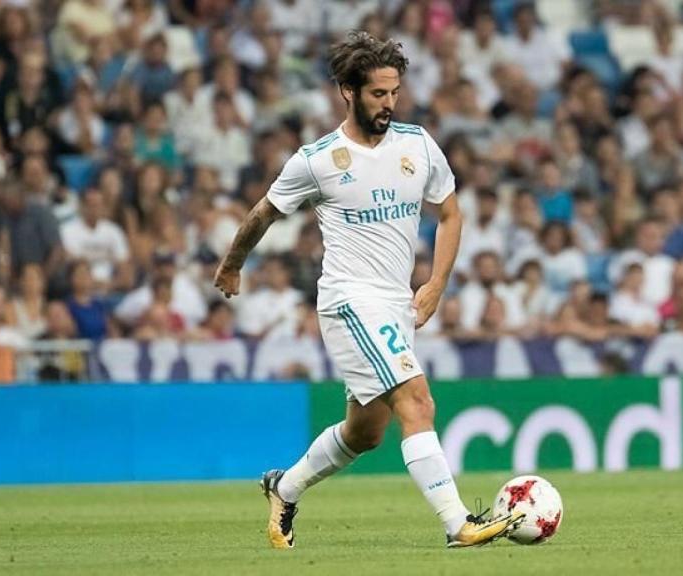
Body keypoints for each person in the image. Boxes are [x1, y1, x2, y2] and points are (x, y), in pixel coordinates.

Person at [212, 32, 523, 549]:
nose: (389, 103)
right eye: (378, 94)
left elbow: (449, 211)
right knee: (417, 402)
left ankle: (283, 488)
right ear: (347, 92)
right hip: (349, 301)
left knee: (365, 433)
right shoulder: (318, 159)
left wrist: (437, 284)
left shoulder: (417, 145)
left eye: (394, 92)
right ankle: (457, 524)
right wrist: (232, 266)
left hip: (396, 303)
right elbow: (264, 212)